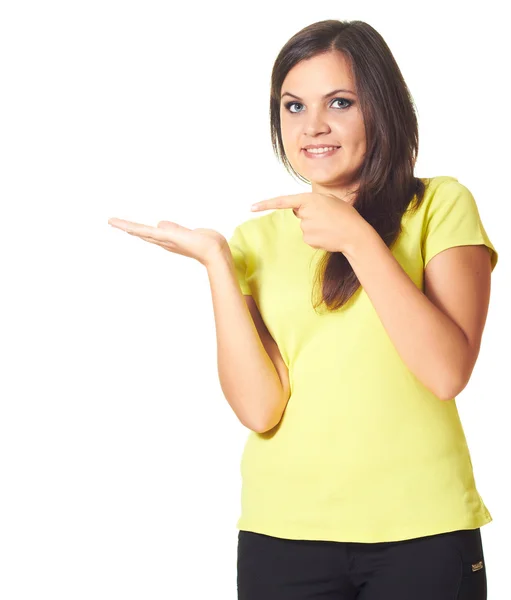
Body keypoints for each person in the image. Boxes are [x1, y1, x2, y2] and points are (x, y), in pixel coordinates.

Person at [108, 19, 498, 600]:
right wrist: (217, 261)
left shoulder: (439, 205)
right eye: (293, 107)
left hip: (424, 531)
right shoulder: (254, 241)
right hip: (282, 536)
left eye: (339, 102)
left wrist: (358, 238)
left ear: (383, 108)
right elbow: (261, 409)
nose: (313, 126)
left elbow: (446, 372)